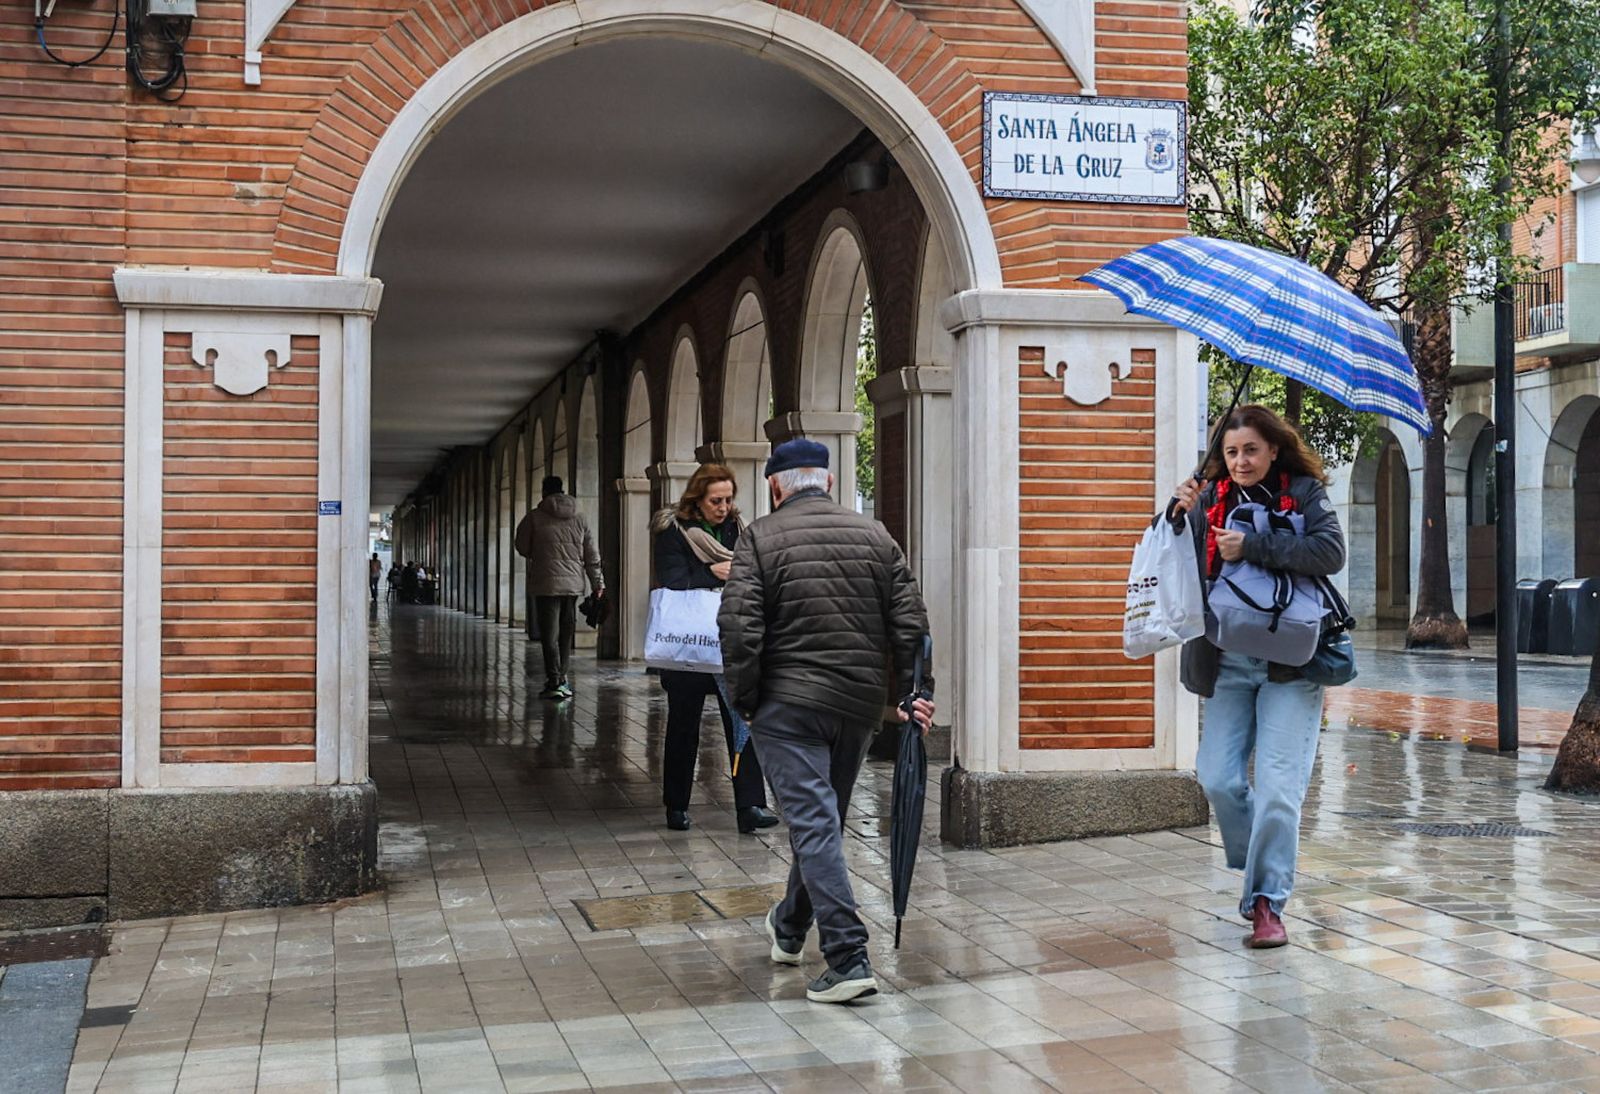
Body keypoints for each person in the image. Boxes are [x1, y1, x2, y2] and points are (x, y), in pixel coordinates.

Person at [719, 438, 935, 1005]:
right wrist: (915, 694)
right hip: (857, 708)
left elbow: (739, 628)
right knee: (823, 822)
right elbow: (910, 623)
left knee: (814, 826)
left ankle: (847, 956)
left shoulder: (758, 539)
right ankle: (789, 926)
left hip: (786, 707)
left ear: (773, 487)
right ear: (830, 482)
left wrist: (745, 700)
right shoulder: (875, 534)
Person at [1169, 404, 1345, 950]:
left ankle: (1267, 902)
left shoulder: (1304, 493)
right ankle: (1261, 861)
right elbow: (1167, 562)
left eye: (1251, 450)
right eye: (1231, 452)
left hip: (1291, 661)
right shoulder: (1209, 498)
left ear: (1273, 449)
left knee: (1278, 791)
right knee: (1217, 777)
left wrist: (1254, 546)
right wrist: (1177, 515)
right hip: (1226, 659)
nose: (1241, 461)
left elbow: (1330, 552)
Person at [651, 463, 777, 835]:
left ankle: (751, 805)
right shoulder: (673, 531)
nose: (723, 507)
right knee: (682, 727)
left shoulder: (738, 529)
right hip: (688, 647)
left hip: (731, 642)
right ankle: (676, 805)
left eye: (728, 499)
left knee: (743, 721)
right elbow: (672, 578)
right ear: (697, 499)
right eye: (715, 501)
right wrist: (712, 574)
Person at [515, 475, 603, 700]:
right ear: (563, 491)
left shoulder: (534, 517)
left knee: (549, 634)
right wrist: (598, 583)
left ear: (544, 493)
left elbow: (522, 546)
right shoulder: (580, 518)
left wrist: (540, 551)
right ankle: (562, 677)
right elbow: (591, 555)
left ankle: (554, 680)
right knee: (566, 632)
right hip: (572, 585)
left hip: (546, 584)